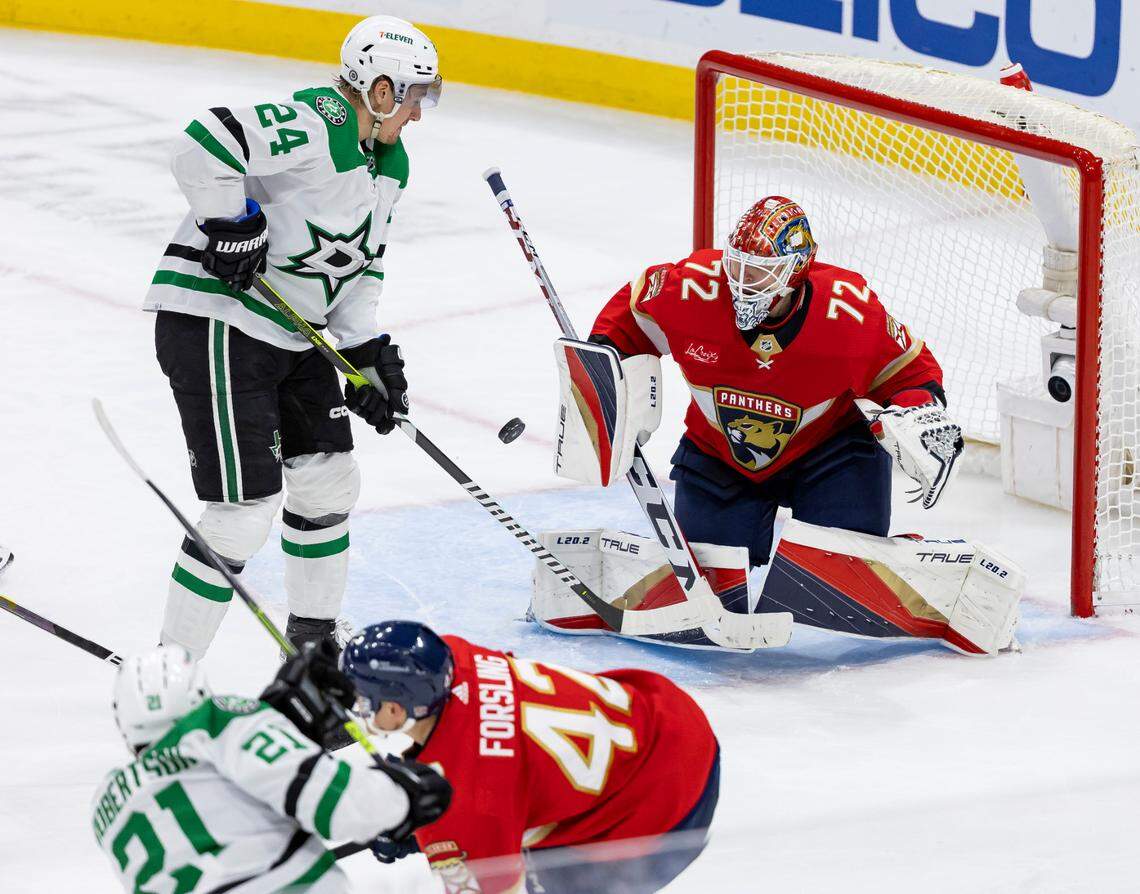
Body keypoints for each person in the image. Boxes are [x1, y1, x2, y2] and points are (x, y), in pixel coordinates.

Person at [143, 15, 442, 659]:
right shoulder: (318, 121)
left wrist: (366, 356)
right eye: (415, 96)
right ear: (381, 89)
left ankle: (312, 648)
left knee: (330, 479)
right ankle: (168, 672)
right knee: (244, 510)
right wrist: (230, 223)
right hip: (219, 320)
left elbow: (362, 265)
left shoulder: (389, 164)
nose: (417, 114)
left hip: (291, 334)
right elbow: (203, 144)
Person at [554, 196, 973, 640]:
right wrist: (604, 364)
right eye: (736, 264)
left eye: (758, 270)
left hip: (828, 455)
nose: (739, 279)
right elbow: (631, 313)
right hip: (721, 454)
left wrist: (917, 410)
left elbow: (910, 371)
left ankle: (903, 556)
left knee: (840, 575)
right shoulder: (693, 287)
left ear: (794, 271)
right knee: (710, 574)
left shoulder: (848, 313)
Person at [341, 620, 720, 893]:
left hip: (668, 803)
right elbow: (493, 742)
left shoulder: (465, 808)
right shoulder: (456, 655)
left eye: (363, 697)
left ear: (396, 708)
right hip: (667, 715)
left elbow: (487, 877)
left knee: (555, 879)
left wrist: (439, 838)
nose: (358, 706)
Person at [92, 643, 450, 892]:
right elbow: (342, 807)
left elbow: (219, 803)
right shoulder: (217, 723)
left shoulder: (107, 805)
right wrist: (405, 795)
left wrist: (281, 723)